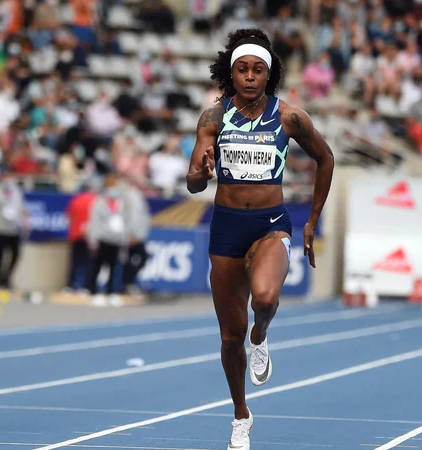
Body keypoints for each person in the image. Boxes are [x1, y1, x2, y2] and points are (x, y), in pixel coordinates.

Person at [185, 29, 334, 450]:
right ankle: (240, 416)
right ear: (230, 74)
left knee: (265, 300)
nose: (250, 77)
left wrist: (312, 221)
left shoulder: (289, 117)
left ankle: (261, 335)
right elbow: (194, 182)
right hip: (227, 228)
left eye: (258, 70)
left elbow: (326, 158)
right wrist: (203, 169)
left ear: (269, 75)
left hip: (271, 223)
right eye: (242, 70)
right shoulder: (213, 118)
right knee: (229, 336)